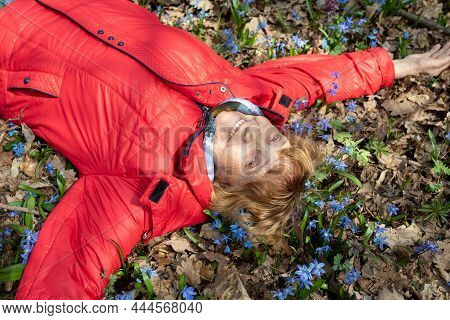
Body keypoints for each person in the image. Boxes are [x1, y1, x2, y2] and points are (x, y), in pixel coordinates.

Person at [0, 0, 448, 299]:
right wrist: (404, 65)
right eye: (274, 141)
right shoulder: (254, 95)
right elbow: (316, 79)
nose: (256, 139)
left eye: (254, 161)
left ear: (230, 187)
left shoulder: (151, 190)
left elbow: (72, 270)